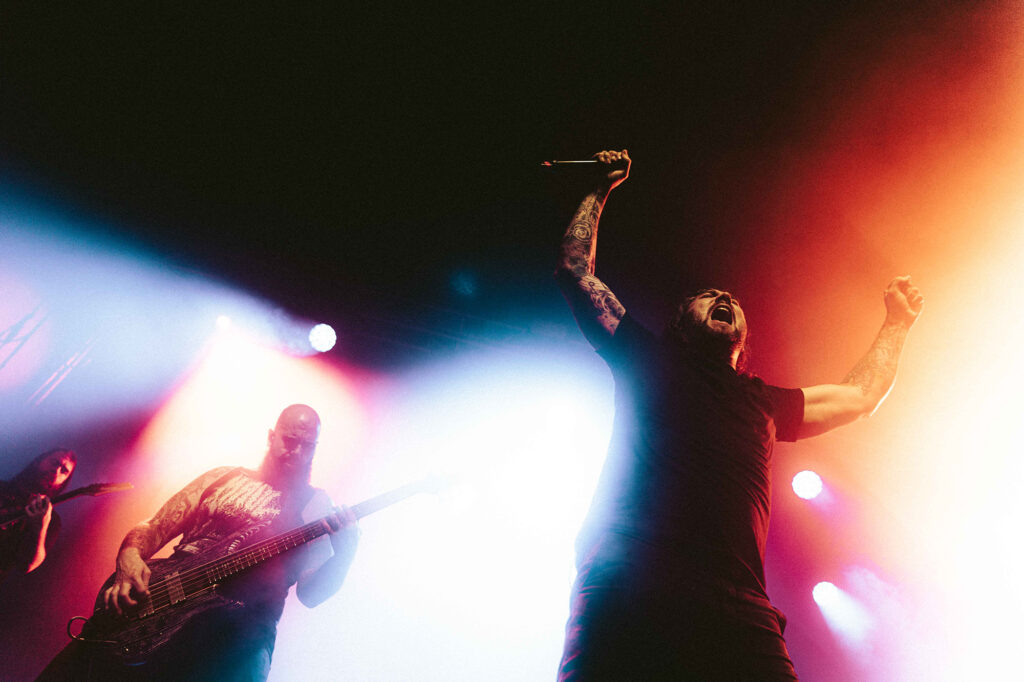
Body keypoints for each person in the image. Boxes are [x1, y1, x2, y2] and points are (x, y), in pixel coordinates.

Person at [553, 150, 923, 680]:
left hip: (737, 598)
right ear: (683, 323)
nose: (723, 295)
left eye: (728, 298)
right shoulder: (647, 357)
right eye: (708, 296)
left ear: (743, 338)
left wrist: (897, 325)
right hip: (631, 574)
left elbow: (859, 396)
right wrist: (599, 189)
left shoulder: (764, 403)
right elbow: (575, 272)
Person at [38, 404, 359, 682]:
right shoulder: (222, 477)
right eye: (290, 441)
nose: (299, 454)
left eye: (309, 446)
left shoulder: (316, 504)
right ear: (271, 436)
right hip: (152, 605)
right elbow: (155, 526)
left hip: (233, 639)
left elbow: (311, 594)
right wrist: (130, 560)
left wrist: (345, 553)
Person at [0, 448, 77, 582]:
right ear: (39, 462)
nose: (56, 470)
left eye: (64, 470)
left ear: (64, 481)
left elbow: (27, 565)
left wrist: (39, 528)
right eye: (54, 462)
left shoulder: (51, 520)